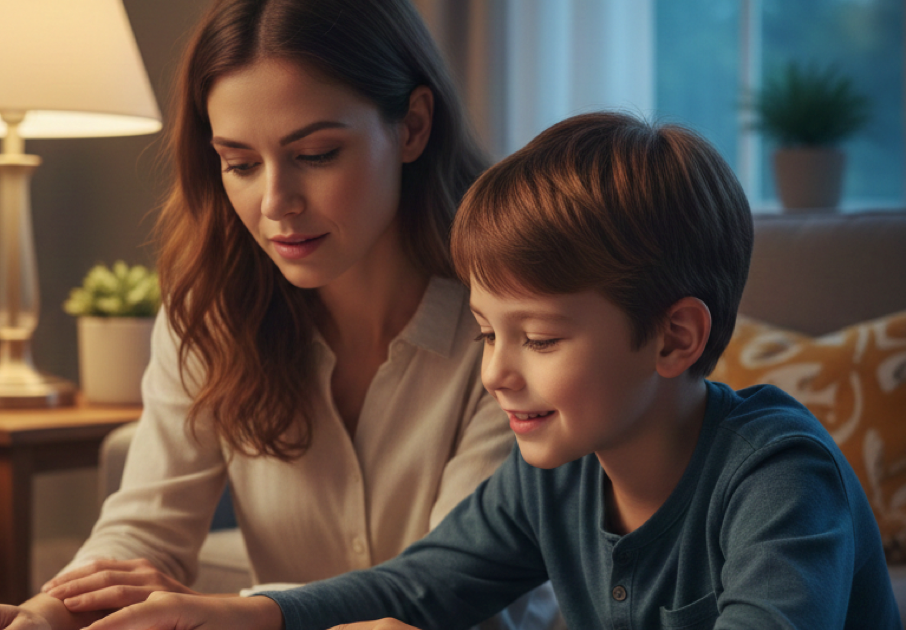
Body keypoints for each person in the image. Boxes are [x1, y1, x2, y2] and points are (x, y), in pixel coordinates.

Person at [78, 111, 902, 630]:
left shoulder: (779, 476)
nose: (496, 375)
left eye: (539, 339)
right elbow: (423, 586)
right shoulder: (560, 472)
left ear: (674, 339)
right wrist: (232, 615)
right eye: (484, 333)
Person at [0, 1, 559, 629]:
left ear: (413, 126)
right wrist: (50, 614)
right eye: (239, 163)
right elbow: (144, 527)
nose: (275, 202)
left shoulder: (514, 325)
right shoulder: (214, 311)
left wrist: (234, 612)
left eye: (315, 154)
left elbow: (451, 593)